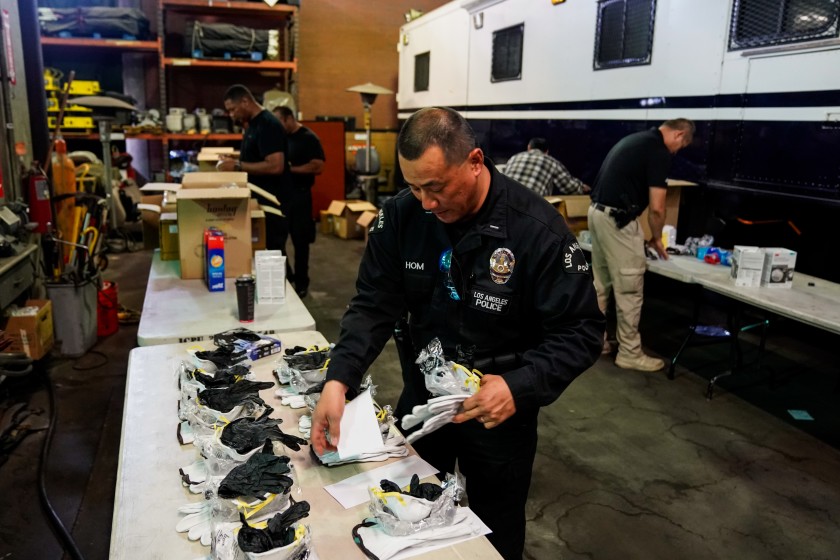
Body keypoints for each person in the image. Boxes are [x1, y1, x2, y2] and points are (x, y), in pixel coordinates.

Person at [311, 107, 604, 559]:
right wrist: (338, 378)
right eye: (413, 186)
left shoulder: (536, 231)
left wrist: (518, 386)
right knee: (407, 512)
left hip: (499, 410)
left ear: (475, 161)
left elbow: (582, 331)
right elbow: (373, 305)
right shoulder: (403, 218)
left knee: (495, 528)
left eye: (436, 186)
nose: (426, 202)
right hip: (425, 402)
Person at [587, 118, 695, 371]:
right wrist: (656, 238)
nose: (677, 151)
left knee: (600, 285)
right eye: (682, 146)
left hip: (597, 213)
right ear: (679, 135)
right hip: (618, 220)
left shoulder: (636, 140)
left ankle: (593, 343)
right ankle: (630, 353)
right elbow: (657, 208)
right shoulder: (658, 151)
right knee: (629, 287)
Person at [218, 84, 287, 252]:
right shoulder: (252, 124)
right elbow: (257, 154)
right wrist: (234, 159)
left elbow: (276, 166)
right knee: (264, 252)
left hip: (272, 203)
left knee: (274, 253)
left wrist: (236, 166)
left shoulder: (268, 125)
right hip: (258, 200)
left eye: (234, 110)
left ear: (245, 101)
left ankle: (287, 279)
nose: (232, 115)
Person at [272, 106, 325, 298]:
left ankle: (302, 282)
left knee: (301, 242)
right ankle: (288, 276)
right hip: (281, 196)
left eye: (279, 122)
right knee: (277, 240)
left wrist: (289, 170)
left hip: (300, 197)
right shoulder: (280, 137)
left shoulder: (308, 138)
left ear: (288, 118)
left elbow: (318, 166)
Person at [502, 137, 589, 196]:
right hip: (529, 206)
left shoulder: (515, 157)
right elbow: (569, 186)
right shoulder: (551, 161)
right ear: (546, 152)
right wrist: (583, 188)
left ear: (529, 147)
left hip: (505, 201)